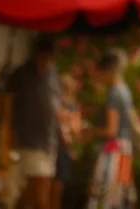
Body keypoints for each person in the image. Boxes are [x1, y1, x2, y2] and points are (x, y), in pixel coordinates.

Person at [10, 36, 60, 209]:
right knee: (38, 194)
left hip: (49, 141)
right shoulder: (22, 75)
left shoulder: (52, 75)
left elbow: (55, 104)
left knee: (33, 194)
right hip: (29, 141)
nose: (46, 63)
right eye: (43, 58)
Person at [87, 49, 137, 209]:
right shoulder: (125, 91)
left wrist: (91, 130)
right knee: (119, 199)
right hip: (124, 152)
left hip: (112, 153)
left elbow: (111, 130)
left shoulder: (114, 94)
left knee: (105, 199)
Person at [52, 74, 82, 209]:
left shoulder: (72, 106)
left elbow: (75, 130)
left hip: (63, 149)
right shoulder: (56, 103)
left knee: (57, 188)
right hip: (55, 147)